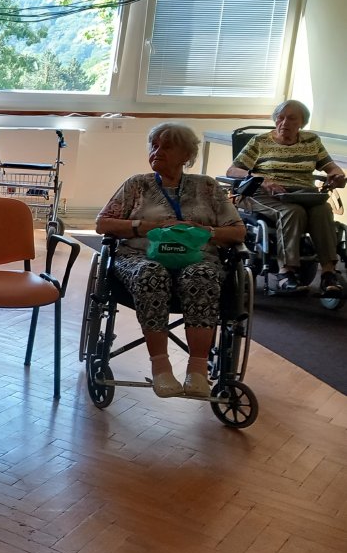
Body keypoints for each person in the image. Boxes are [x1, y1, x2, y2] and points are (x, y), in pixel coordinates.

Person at [96, 123, 245, 399]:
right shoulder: (136, 184)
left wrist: (205, 231)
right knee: (151, 274)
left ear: (186, 155)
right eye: (154, 145)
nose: (157, 151)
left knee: (201, 276)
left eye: (167, 146)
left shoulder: (207, 186)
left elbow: (238, 231)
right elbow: (102, 224)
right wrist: (143, 226)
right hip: (140, 256)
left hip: (199, 259)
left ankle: (197, 370)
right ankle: (161, 369)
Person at [226, 99, 347, 296]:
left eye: (291, 118)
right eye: (280, 118)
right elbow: (233, 170)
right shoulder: (260, 141)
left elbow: (331, 167)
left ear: (302, 123)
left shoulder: (312, 141)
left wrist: (337, 175)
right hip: (263, 193)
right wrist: (262, 180)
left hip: (302, 193)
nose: (284, 123)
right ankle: (286, 272)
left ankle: (328, 273)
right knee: (292, 212)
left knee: (323, 209)